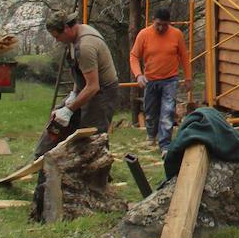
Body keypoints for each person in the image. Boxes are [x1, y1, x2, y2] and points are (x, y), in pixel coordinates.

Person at [39, 12, 120, 155]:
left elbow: (93, 86)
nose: (57, 40)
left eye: (57, 36)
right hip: (87, 88)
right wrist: (73, 95)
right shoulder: (72, 39)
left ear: (66, 28)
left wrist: (69, 110)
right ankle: (41, 159)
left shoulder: (85, 46)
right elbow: (79, 72)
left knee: (93, 134)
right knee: (56, 121)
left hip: (102, 93)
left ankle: (98, 174)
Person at [129, 8, 192, 154]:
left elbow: (184, 57)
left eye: (164, 25)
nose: (161, 28)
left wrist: (188, 78)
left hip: (170, 79)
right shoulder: (144, 35)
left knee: (168, 112)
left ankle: (165, 145)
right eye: (158, 24)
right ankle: (151, 135)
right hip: (150, 79)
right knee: (150, 112)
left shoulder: (176, 34)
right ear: (153, 21)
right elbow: (134, 56)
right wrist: (139, 75)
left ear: (169, 23)